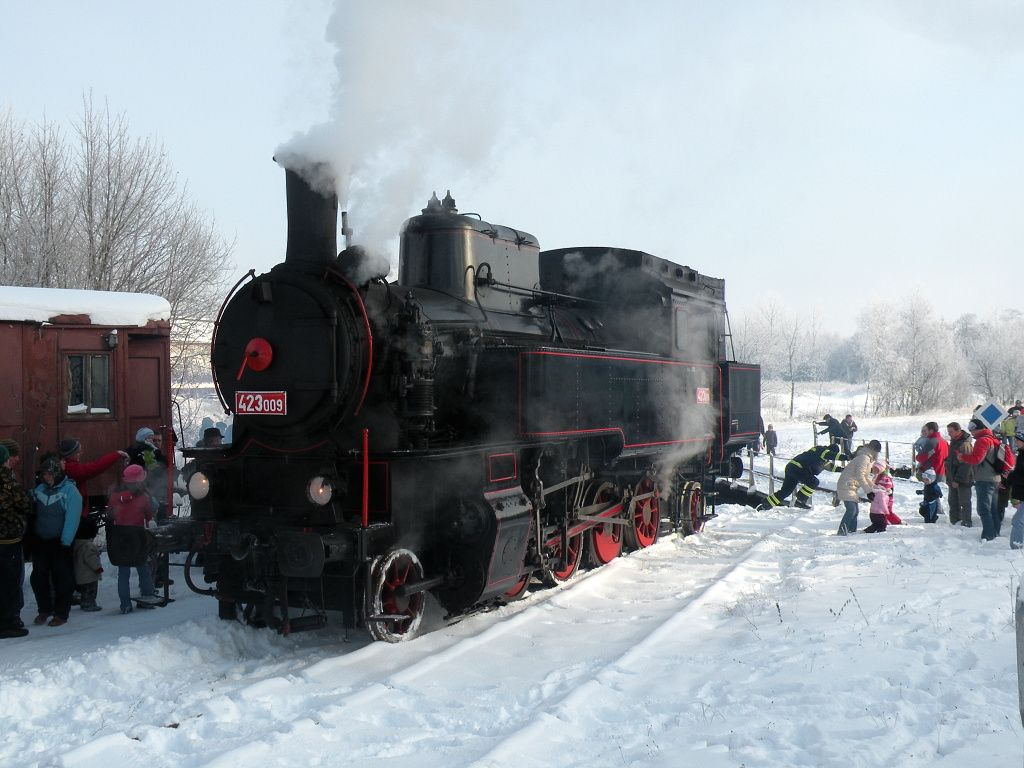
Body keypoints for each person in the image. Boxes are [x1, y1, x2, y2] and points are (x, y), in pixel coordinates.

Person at [29, 454, 82, 627]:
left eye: (50, 474)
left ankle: (61, 612)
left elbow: (72, 518)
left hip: (60, 543)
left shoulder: (70, 491)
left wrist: (66, 541)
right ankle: (44, 609)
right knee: (38, 577)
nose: (47, 477)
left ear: (57, 473)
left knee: (62, 578)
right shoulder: (40, 490)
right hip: (42, 541)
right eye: (44, 475)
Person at [107, 464, 158, 614]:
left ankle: (125, 605)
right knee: (143, 568)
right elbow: (149, 515)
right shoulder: (143, 497)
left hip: (119, 535)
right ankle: (148, 599)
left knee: (123, 572)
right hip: (137, 535)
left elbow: (110, 513)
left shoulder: (114, 495)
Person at [0, 443, 32, 638]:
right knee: (10, 583)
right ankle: (8, 623)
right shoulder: (7, 481)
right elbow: (25, 504)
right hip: (8, 541)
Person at [757, 443, 843, 511]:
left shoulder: (822, 456)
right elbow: (833, 456)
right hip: (798, 468)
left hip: (791, 467)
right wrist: (848, 457)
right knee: (813, 482)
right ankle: (800, 500)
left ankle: (766, 504)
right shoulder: (823, 451)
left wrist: (843, 469)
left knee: (786, 491)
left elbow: (831, 467)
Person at [956, 419, 1003, 541]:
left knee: (983, 509)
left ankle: (989, 535)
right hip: (995, 478)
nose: (971, 433)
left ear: (978, 429)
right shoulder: (993, 439)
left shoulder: (982, 441)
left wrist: (963, 457)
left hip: (985, 479)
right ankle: (995, 532)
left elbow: (977, 459)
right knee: (993, 508)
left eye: (972, 430)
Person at [59, 438, 128, 515]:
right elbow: (96, 467)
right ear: (70, 455)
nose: (81, 453)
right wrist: (117, 454)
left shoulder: (65, 464)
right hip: (75, 512)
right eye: (78, 452)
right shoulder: (71, 469)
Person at [836, 440, 881, 535]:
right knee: (851, 510)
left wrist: (875, 487)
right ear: (873, 450)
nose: (877, 454)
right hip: (846, 485)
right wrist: (868, 491)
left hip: (851, 486)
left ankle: (851, 532)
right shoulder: (864, 458)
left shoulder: (866, 458)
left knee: (855, 511)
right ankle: (842, 532)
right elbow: (860, 475)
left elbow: (865, 476)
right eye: (877, 452)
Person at [944, 422, 974, 527]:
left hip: (963, 479)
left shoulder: (964, 443)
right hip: (953, 477)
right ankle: (955, 521)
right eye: (948, 432)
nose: (949, 434)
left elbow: (966, 464)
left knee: (964, 502)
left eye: (951, 431)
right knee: (953, 501)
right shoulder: (954, 441)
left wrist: (958, 479)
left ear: (958, 430)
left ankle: (966, 523)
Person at [72, 517, 102, 612]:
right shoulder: (88, 545)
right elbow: (91, 559)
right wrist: (98, 568)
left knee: (84, 591)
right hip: (90, 575)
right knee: (91, 591)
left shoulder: (76, 544)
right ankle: (90, 604)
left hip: (80, 575)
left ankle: (84, 602)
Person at [863, 461, 891, 533]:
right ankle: (881, 533)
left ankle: (867, 531)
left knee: (875, 524)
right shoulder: (881, 493)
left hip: (873, 513)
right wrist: (886, 511)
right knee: (883, 524)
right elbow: (882, 503)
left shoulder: (876, 491)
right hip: (879, 513)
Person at [1006, 431, 1024, 549]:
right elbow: (1018, 473)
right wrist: (1007, 481)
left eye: (1017, 440)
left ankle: (1016, 547)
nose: (1015, 442)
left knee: (1018, 521)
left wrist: (1009, 480)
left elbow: (1021, 474)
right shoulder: (1021, 454)